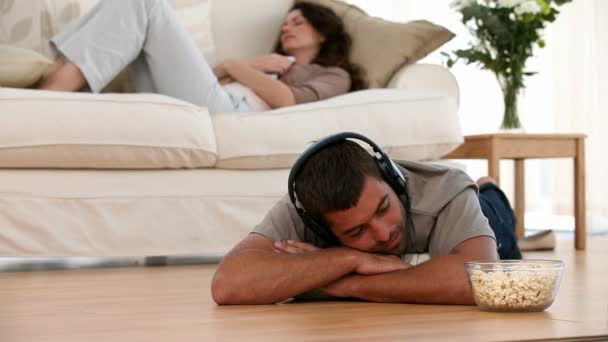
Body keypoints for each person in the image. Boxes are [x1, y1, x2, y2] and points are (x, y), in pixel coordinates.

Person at [211, 132, 522, 305]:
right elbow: (228, 285)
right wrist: (347, 259)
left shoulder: (444, 189)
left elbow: (480, 280)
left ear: (392, 179)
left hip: (483, 213)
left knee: (496, 222)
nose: (384, 234)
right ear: (320, 226)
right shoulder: (305, 209)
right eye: (357, 230)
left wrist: (343, 284)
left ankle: (487, 185)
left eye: (383, 207)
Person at [36, 0, 366, 112]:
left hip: (228, 110)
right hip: (213, 97)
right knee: (133, 15)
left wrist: (238, 65)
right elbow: (201, 79)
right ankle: (67, 71)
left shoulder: (335, 75)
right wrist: (235, 67)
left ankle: (55, 85)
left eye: (298, 22)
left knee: (147, 4)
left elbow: (286, 100)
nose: (287, 28)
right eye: (285, 22)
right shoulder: (268, 65)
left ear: (322, 33)